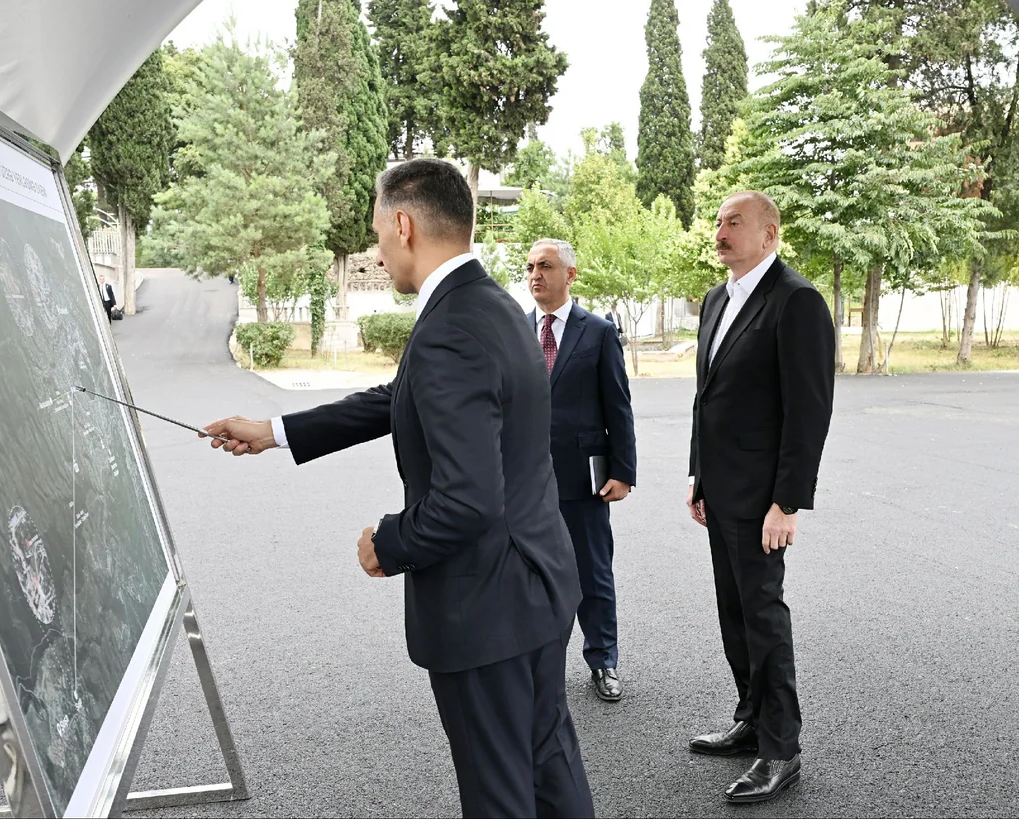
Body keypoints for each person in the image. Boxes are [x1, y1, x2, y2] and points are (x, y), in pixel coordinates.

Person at [204, 159, 594, 818]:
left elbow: (469, 500)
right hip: (537, 584)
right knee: (548, 767)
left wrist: (389, 543)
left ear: (405, 224)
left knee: (502, 793)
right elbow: (401, 397)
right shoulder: (494, 305)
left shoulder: (450, 328)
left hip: (487, 604)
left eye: (378, 234)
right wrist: (274, 430)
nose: (378, 252)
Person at [686, 191, 834, 803]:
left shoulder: (795, 301)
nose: (721, 232)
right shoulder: (717, 298)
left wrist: (788, 504)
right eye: (719, 222)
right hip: (720, 491)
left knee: (764, 618)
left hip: (763, 499)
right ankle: (751, 719)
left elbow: (808, 412)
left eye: (734, 223)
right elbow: (707, 396)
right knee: (735, 612)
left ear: (769, 234)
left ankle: (781, 748)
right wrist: (698, 476)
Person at [525, 239, 636, 702]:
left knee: (592, 573)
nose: (535, 275)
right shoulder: (514, 329)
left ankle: (603, 659)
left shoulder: (598, 331)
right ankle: (533, 662)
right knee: (526, 576)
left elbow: (618, 405)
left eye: (546, 266)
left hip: (583, 477)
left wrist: (623, 471)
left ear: (569, 275)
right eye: (530, 266)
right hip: (524, 480)